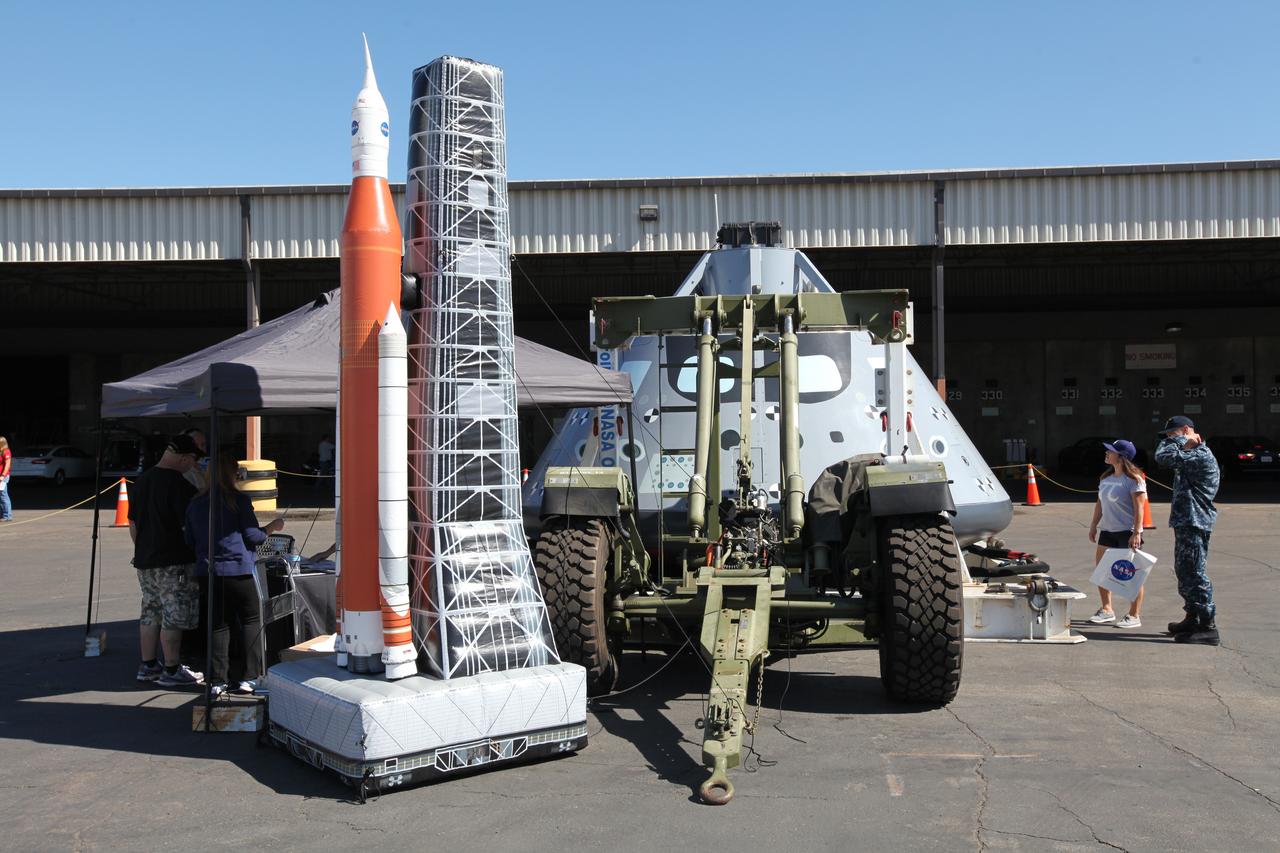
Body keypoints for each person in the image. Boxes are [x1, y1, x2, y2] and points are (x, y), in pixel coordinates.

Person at [185, 450, 284, 696]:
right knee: (251, 621)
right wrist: (273, 526)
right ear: (233, 473)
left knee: (219, 625)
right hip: (239, 571)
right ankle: (249, 678)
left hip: (209, 571)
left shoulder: (196, 502)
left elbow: (189, 539)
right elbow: (254, 536)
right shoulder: (238, 500)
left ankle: (217, 680)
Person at [130, 434, 205, 687]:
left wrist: (143, 549)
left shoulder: (142, 480)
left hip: (144, 560)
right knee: (174, 614)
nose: (192, 466)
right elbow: (191, 527)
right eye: (192, 460)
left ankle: (148, 664)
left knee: (151, 611)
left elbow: (133, 524)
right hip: (174, 561)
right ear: (183, 457)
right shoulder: (179, 485)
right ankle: (172, 669)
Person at [1155, 415, 1221, 645]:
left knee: (1194, 572)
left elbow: (1162, 457)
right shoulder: (1189, 454)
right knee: (1184, 571)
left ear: (1185, 430)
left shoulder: (1200, 455)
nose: (1169, 440)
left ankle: (1207, 625)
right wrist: (1184, 441)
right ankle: (1192, 616)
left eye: (1172, 434)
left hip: (1195, 521)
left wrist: (1183, 441)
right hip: (1186, 521)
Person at [1086, 439, 1148, 628]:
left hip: (1126, 533)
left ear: (1121, 457)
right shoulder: (1106, 478)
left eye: (1111, 451)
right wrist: (1094, 524)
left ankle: (1134, 614)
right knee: (1102, 572)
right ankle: (1107, 609)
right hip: (1108, 531)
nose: (1107, 453)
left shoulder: (1134, 480)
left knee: (1131, 575)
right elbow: (1099, 503)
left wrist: (1137, 532)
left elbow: (1140, 509)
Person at [0, 436, 12, 521]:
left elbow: (7, 465)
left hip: (3, 477)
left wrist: (3, 475)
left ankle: (7, 516)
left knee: (3, 495)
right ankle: (3, 514)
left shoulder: (6, 451)